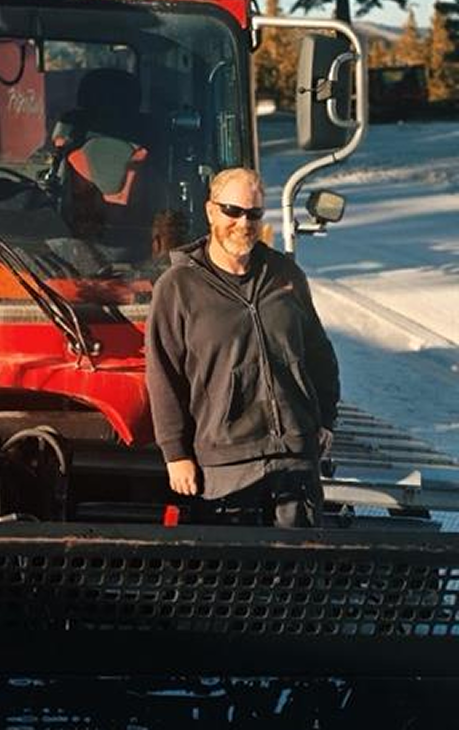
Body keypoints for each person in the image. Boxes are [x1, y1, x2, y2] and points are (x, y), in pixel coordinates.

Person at [145, 167, 339, 527]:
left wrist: (325, 418)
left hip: (295, 458)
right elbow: (163, 374)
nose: (243, 222)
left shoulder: (285, 276)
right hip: (226, 465)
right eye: (232, 211)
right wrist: (175, 454)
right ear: (210, 211)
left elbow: (319, 354)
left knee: (299, 574)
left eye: (253, 213)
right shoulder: (178, 287)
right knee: (234, 576)